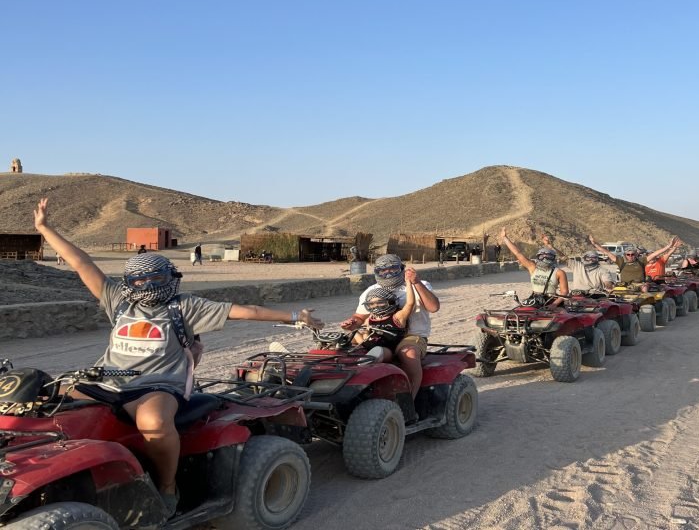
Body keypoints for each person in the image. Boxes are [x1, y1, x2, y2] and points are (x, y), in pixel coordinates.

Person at [33, 198, 322, 518]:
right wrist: (45, 228)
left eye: (154, 280)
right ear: (129, 283)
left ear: (169, 278)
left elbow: (246, 311)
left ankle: (167, 486)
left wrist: (297, 315)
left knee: (153, 423)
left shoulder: (185, 306)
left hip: (159, 383)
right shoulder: (118, 300)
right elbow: (82, 262)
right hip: (110, 378)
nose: (146, 286)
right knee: (43, 401)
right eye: (139, 281)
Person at [340, 254, 439, 401]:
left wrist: (415, 282)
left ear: (402, 268)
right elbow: (360, 317)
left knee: (409, 354)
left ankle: (409, 400)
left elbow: (433, 307)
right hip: (379, 334)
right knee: (338, 349)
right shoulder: (371, 291)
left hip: (411, 336)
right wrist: (351, 323)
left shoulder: (418, 284)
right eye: (383, 271)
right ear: (377, 272)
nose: (388, 273)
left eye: (393, 269)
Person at [351, 274, 417, 363]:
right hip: (368, 344)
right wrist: (352, 327)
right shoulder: (370, 318)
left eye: (380, 302)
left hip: (387, 349)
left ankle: (367, 361)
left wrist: (408, 283)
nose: (375, 306)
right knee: (348, 337)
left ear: (389, 301)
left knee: (380, 351)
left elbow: (410, 303)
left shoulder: (397, 317)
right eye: (372, 304)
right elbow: (366, 335)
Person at [498, 227, 569, 307]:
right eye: (542, 256)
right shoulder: (533, 267)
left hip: (551, 300)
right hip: (535, 299)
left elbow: (564, 292)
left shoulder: (559, 272)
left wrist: (554, 304)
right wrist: (505, 238)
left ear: (552, 258)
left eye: (547, 256)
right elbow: (518, 253)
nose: (544, 259)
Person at [591, 235, 678, 287]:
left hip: (640, 285)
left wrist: (669, 246)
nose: (630, 256)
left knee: (645, 289)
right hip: (624, 286)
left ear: (636, 254)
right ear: (625, 255)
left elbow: (655, 254)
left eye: (632, 254)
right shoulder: (621, 261)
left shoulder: (641, 261)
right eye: (628, 255)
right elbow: (607, 252)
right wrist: (595, 244)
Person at [541, 234, 614, 294]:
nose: (590, 260)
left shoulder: (602, 270)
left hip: (595, 296)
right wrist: (550, 246)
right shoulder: (577, 265)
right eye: (588, 258)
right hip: (577, 295)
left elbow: (607, 282)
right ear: (584, 258)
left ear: (597, 259)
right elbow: (563, 257)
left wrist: (608, 286)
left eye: (593, 258)